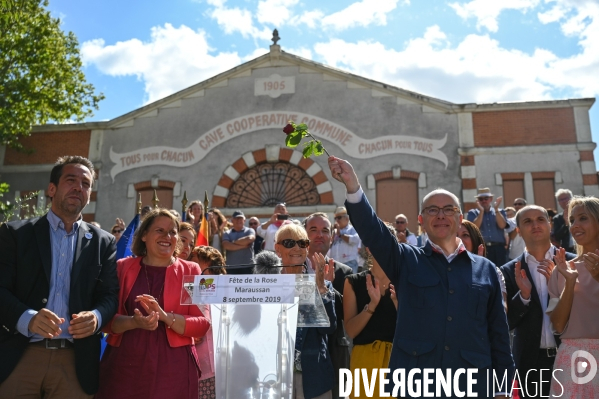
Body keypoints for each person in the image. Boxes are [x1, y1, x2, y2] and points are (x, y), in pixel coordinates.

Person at [328, 155, 514, 397]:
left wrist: (502, 390)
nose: (440, 215)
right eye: (432, 210)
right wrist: (353, 186)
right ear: (420, 220)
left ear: (460, 219)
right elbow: (374, 232)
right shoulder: (405, 259)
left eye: (449, 209)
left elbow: (499, 335)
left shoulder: (486, 269)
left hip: (472, 385)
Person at [0, 155, 119, 398]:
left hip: (75, 363)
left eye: (86, 183)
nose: (79, 187)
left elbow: (109, 296)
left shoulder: (103, 242)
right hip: (20, 355)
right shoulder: (15, 234)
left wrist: (96, 317)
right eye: (71, 180)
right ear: (52, 189)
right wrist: (28, 318)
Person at [96, 208, 210, 399]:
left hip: (174, 370)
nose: (168, 236)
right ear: (144, 235)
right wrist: (134, 321)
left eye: (173, 232)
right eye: (160, 230)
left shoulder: (194, 270)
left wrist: (166, 317)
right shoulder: (121, 267)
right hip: (125, 367)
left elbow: (203, 324)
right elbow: (107, 321)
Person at [500, 205, 576, 398]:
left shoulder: (573, 263)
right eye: (527, 221)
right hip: (530, 365)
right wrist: (524, 296)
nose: (535, 225)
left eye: (540, 219)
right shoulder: (508, 271)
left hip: (571, 359)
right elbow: (505, 323)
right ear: (518, 230)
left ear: (549, 225)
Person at [274, 223, 336, 399]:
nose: (296, 248)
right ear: (277, 249)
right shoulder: (266, 286)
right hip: (275, 376)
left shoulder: (320, 284)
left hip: (314, 379)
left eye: (302, 243)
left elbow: (329, 329)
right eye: (289, 243)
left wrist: (321, 289)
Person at [547, 196, 599, 398]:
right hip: (572, 362)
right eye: (572, 220)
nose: (575, 225)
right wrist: (569, 283)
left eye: (583, 218)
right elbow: (559, 326)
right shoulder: (561, 270)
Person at [343, 222, 398, 399]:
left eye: (387, 242)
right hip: (364, 362)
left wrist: (398, 303)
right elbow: (351, 331)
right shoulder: (352, 282)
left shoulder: (405, 282)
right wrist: (372, 305)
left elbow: (415, 328)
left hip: (398, 361)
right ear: (369, 247)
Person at [304, 212, 353, 399]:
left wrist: (328, 290)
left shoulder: (344, 272)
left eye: (325, 230)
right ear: (304, 235)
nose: (319, 235)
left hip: (334, 353)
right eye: (313, 230)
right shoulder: (292, 271)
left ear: (331, 237)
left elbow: (345, 316)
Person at [458, 220, 507, 308]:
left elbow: (502, 309)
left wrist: (478, 272)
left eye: (465, 235)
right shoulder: (440, 268)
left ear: (475, 240)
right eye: (454, 235)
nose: (459, 240)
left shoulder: (492, 271)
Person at [467, 187, 509, 266]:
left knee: (501, 272)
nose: (484, 201)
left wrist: (496, 209)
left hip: (499, 248)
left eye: (486, 198)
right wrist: (481, 212)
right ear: (478, 201)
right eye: (481, 199)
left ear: (491, 199)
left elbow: (502, 225)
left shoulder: (500, 211)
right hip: (482, 248)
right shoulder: (473, 213)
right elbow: (474, 227)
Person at [329, 206, 360, 273]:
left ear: (347, 218)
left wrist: (340, 234)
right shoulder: (334, 231)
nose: (337, 220)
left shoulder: (352, 229)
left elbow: (355, 240)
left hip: (349, 262)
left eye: (339, 217)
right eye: (335, 218)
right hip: (336, 263)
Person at [551, 189, 575, 253]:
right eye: (561, 200)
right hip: (569, 250)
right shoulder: (557, 218)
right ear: (558, 203)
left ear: (572, 198)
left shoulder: (581, 214)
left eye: (566, 198)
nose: (564, 201)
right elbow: (557, 237)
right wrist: (566, 224)